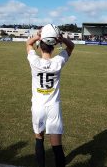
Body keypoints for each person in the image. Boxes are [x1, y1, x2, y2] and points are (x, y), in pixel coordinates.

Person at [26, 24, 75, 167]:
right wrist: (62, 38)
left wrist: (38, 36)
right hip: (53, 107)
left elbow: (28, 44)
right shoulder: (57, 62)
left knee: (39, 139)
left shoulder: (34, 61)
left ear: (40, 47)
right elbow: (71, 47)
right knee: (57, 146)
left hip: (38, 107)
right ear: (54, 47)